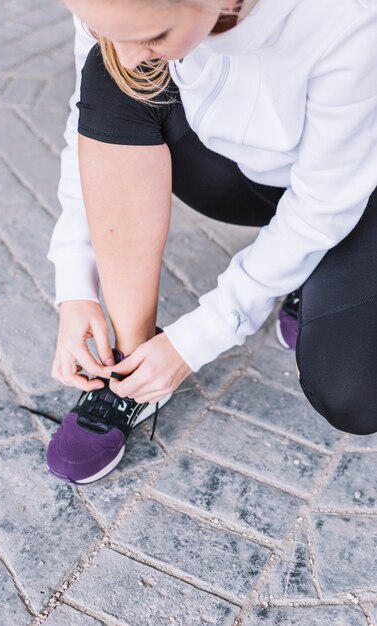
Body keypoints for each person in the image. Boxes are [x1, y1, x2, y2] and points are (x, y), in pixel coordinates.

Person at [46, 0, 377, 484]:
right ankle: (131, 370)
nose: (132, 54)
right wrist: (74, 283)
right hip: (238, 171)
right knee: (110, 74)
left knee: (353, 394)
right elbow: (90, 125)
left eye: (155, 37)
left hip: (356, 190)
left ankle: (310, 272)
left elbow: (324, 204)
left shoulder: (347, 17)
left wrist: (197, 339)